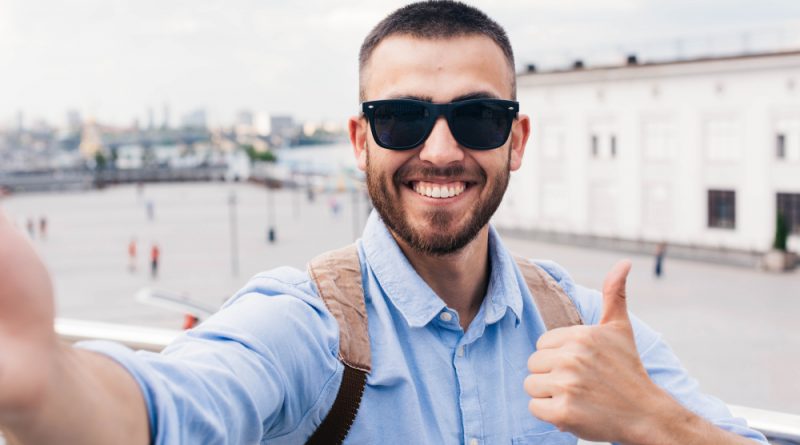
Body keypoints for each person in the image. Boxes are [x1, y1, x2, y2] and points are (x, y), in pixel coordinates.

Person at [0, 3, 767, 445]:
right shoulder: (309, 329)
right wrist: (46, 386)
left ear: (517, 140)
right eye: (401, 118)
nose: (440, 149)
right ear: (361, 141)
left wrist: (654, 417)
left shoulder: (585, 324)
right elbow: (179, 400)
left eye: (475, 115)